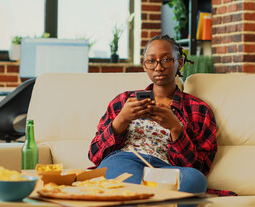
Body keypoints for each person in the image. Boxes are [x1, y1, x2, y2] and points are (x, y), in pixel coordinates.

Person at [88, 35, 217, 193]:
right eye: (151, 61)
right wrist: (121, 120)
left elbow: (200, 166)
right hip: (126, 160)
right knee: (120, 177)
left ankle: (138, 200)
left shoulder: (199, 109)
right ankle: (154, 199)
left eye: (166, 59)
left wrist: (175, 128)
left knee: (196, 180)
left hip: (169, 168)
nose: (158, 67)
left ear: (179, 63)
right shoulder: (123, 101)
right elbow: (95, 155)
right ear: (144, 65)